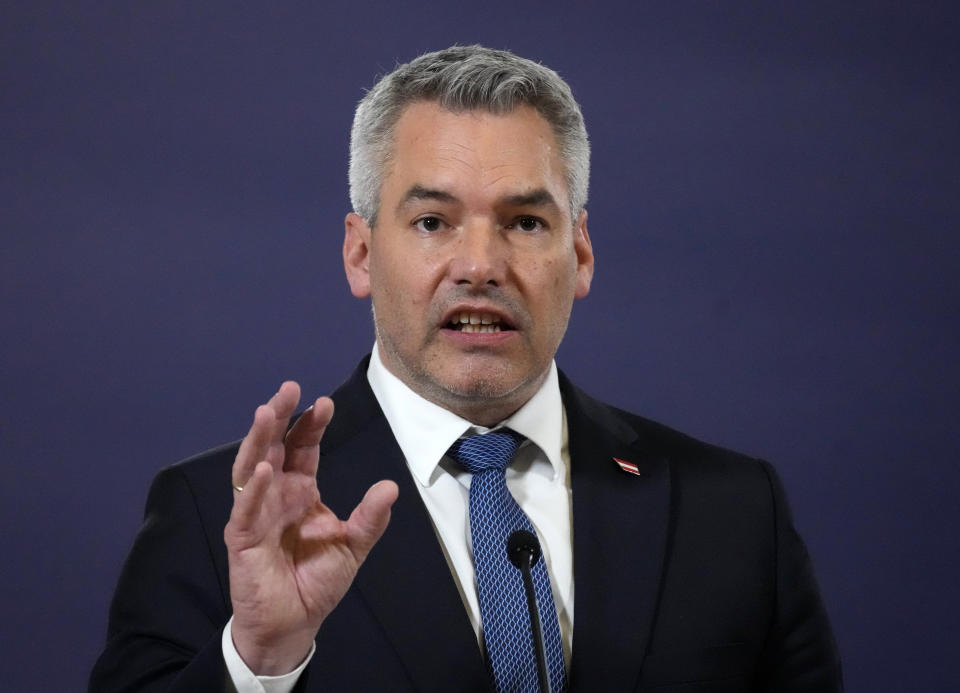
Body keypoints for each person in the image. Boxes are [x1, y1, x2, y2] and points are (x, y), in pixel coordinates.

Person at [90, 45, 842, 692]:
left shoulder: (735, 512)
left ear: (579, 253)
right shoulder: (214, 516)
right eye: (431, 222)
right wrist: (260, 661)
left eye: (524, 222)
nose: (480, 265)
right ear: (360, 252)